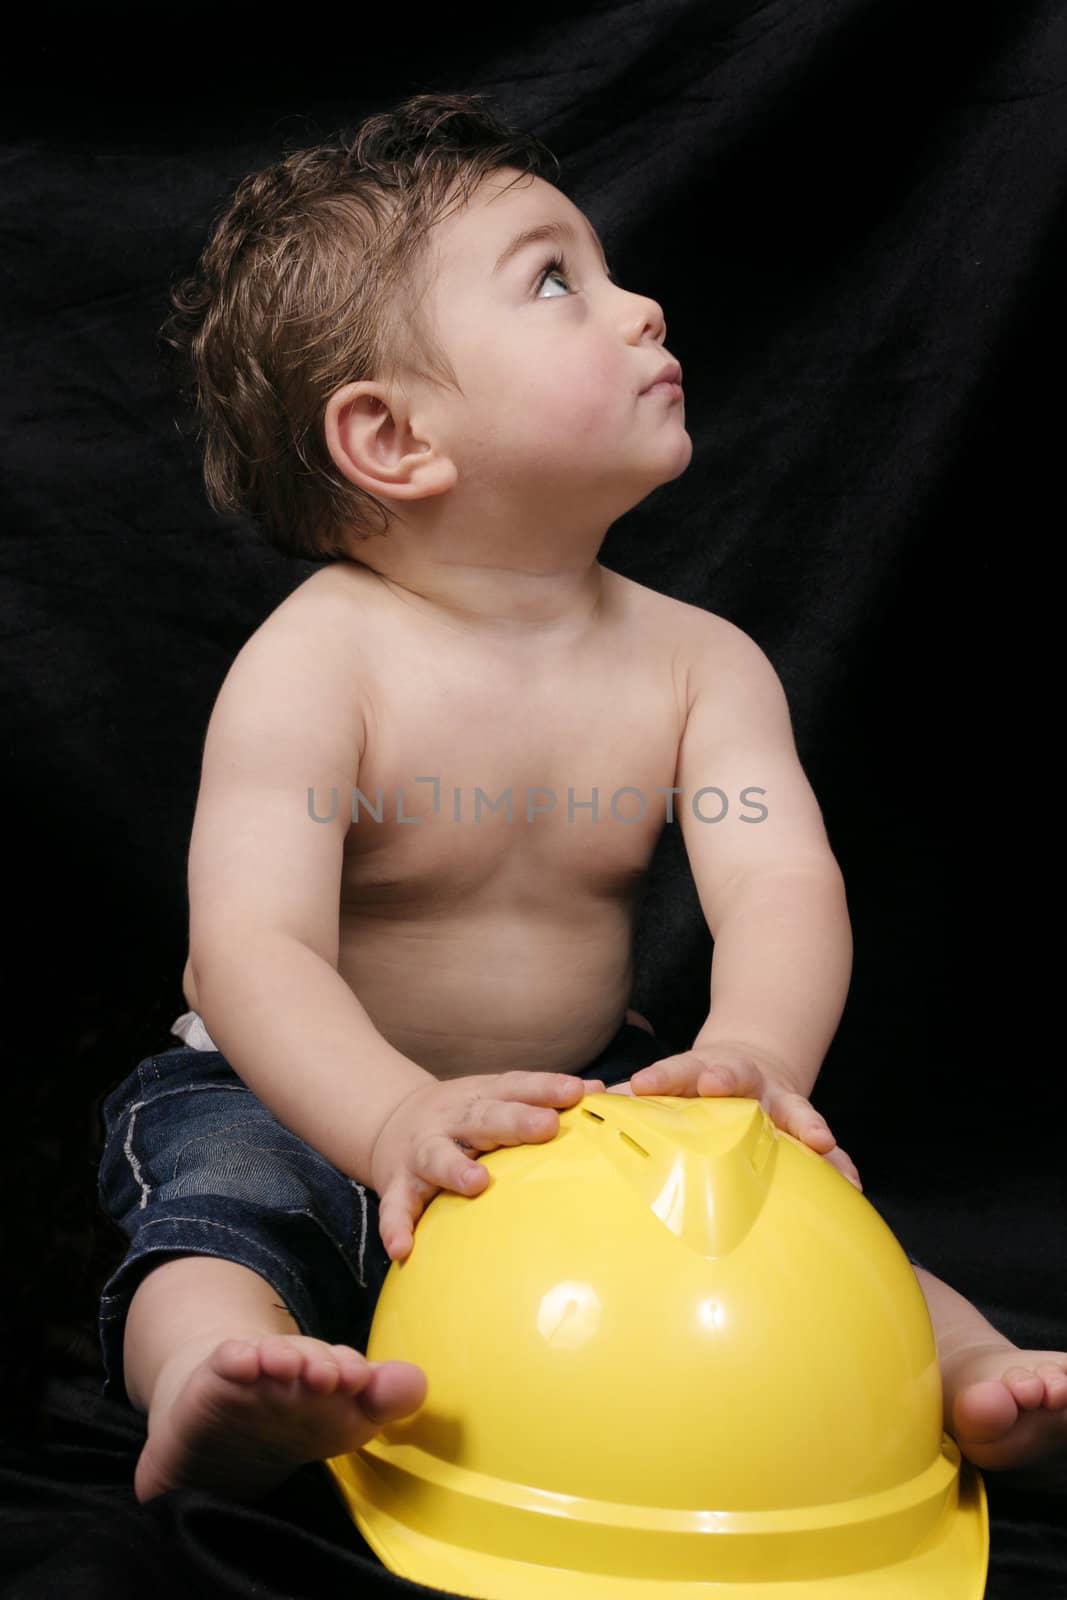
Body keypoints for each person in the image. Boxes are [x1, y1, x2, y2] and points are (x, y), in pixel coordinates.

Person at [96, 90, 1066, 1506]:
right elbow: (255, 946)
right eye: (559, 281)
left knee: (794, 1212)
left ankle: (974, 1371)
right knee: (221, 1214)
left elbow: (779, 880)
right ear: (394, 438)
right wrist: (387, 1125)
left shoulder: (694, 665)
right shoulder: (319, 665)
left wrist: (755, 1062)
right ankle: (214, 1377)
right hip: (300, 1092)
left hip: (575, 1104)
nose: (644, 306)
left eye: (607, 269)